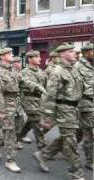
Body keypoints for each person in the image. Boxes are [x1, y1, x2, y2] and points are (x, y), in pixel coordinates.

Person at [33, 44, 85, 180]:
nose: (75, 53)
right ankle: (76, 172)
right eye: (71, 51)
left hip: (75, 110)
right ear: (62, 54)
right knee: (70, 142)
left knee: (70, 137)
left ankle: (44, 154)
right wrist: (47, 118)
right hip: (63, 111)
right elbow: (50, 97)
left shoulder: (74, 70)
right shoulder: (57, 72)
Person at [0, 47, 21, 173]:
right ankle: (10, 160)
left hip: (15, 104)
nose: (12, 55)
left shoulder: (12, 70)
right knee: (10, 132)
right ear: (2, 57)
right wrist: (1, 111)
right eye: (10, 53)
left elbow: (21, 83)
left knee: (16, 127)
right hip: (6, 105)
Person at [17, 50, 47, 150]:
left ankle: (12, 139)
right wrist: (39, 87)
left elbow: (47, 86)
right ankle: (42, 147)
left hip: (39, 101)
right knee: (37, 122)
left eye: (39, 56)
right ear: (30, 59)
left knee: (30, 122)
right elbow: (28, 83)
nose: (40, 58)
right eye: (37, 57)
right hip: (28, 100)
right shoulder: (24, 73)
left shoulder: (42, 72)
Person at [74, 43, 94, 171]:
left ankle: (50, 151)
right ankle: (90, 161)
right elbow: (75, 88)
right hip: (85, 104)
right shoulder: (78, 67)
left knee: (79, 132)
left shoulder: (91, 65)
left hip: (92, 103)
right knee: (90, 133)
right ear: (87, 53)